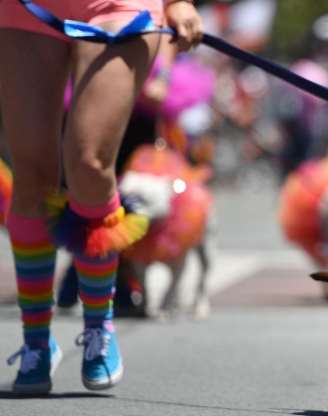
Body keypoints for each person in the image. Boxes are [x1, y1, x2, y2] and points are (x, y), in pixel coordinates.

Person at [0, 0, 202, 394]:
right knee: (32, 175)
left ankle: (98, 326)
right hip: (25, 7)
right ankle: (36, 341)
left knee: (89, 164)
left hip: (120, 5)